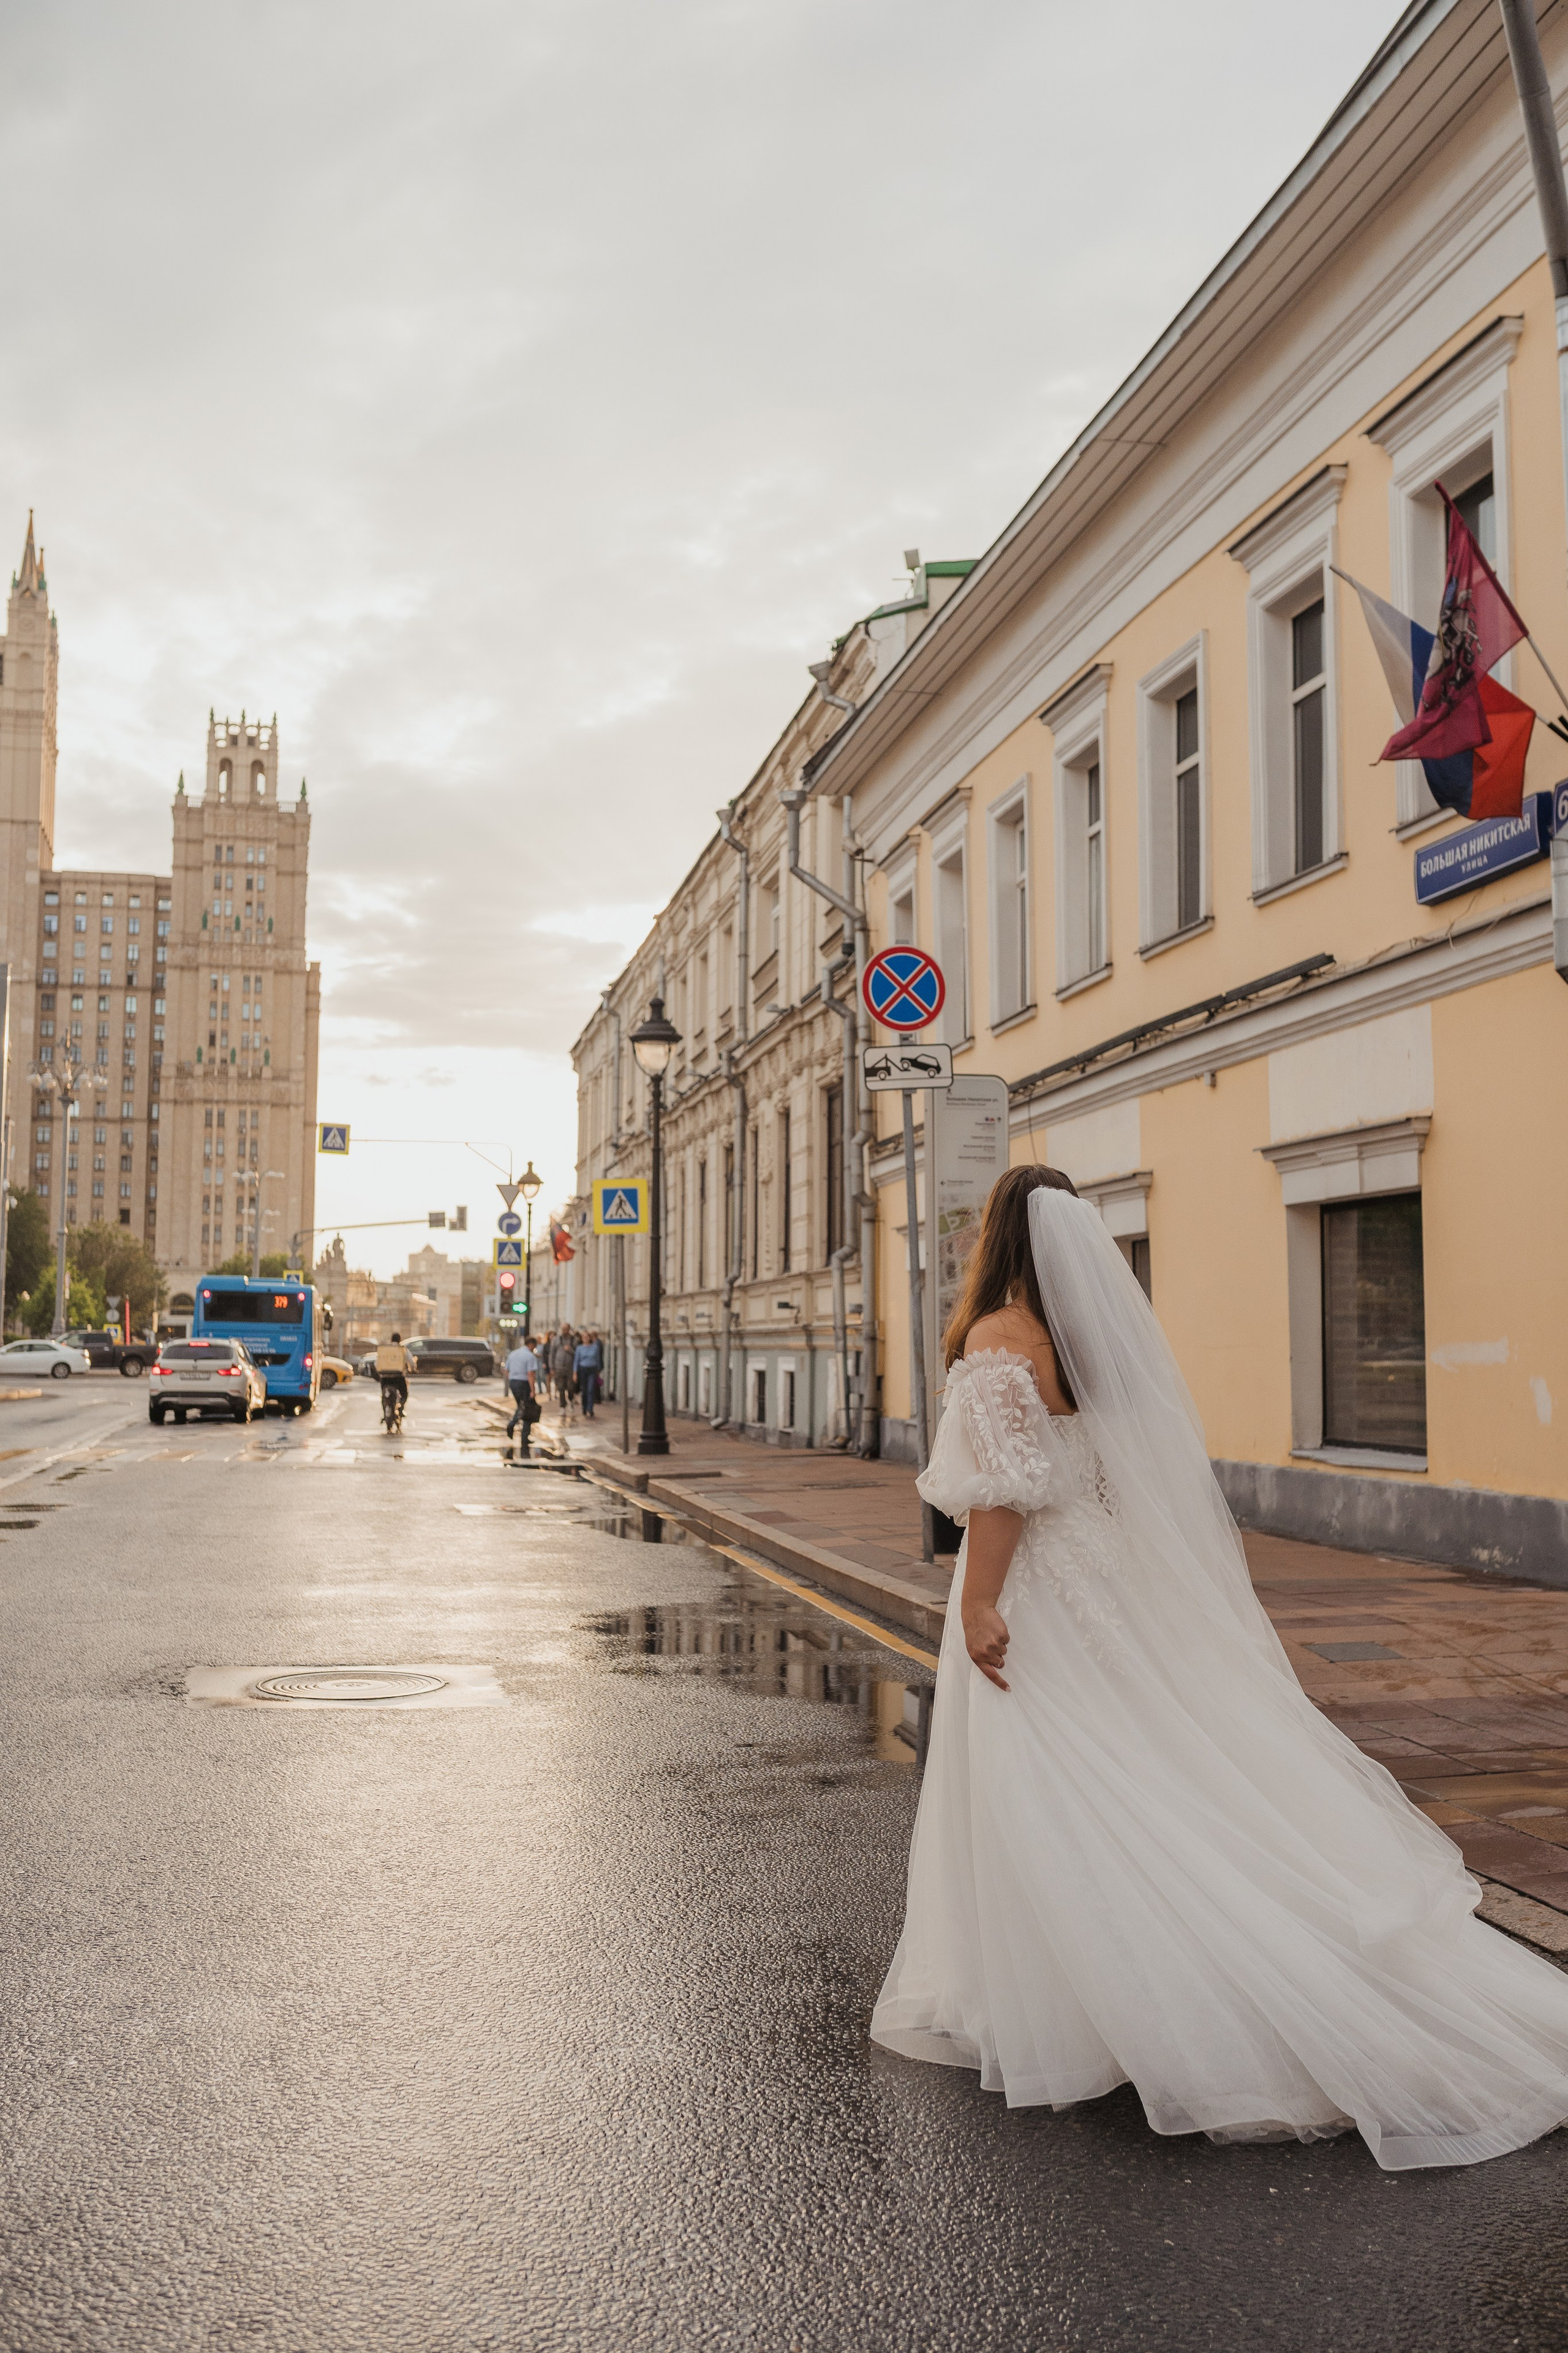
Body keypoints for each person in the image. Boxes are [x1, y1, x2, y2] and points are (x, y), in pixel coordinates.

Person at [872, 1164, 1568, 2172]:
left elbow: (1006, 1494)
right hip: (1108, 1576)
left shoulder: (998, 1340)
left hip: (1045, 1589)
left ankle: (1104, 2009)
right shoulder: (1088, 1345)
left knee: (1056, 1793)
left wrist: (978, 1601)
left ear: (999, 1236)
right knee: (1146, 1772)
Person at [503, 1335, 541, 1452]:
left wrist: (512, 1379)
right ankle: (521, 1433)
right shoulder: (530, 1356)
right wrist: (533, 1390)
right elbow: (531, 1374)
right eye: (534, 1347)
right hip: (524, 1383)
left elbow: (506, 1370)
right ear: (531, 1345)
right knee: (528, 1408)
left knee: (521, 1406)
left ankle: (516, 1427)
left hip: (514, 1382)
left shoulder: (514, 1354)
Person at [375, 1330, 412, 1429]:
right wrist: (413, 1368)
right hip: (398, 1377)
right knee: (404, 1393)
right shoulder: (402, 1350)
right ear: (400, 1340)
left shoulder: (385, 1349)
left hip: (385, 1378)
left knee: (384, 1396)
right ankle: (400, 1408)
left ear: (391, 1339)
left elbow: (377, 1363)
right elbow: (411, 1362)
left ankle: (385, 1413)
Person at [574, 1330, 603, 1418]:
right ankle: (584, 1407)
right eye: (584, 1337)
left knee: (591, 1390)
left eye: (587, 1337)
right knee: (584, 1390)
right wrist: (575, 1373)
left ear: (590, 1338)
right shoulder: (579, 1348)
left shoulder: (595, 1347)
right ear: (582, 1339)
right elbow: (576, 1361)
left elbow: (598, 1359)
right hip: (583, 1370)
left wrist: (598, 1371)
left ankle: (590, 1409)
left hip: (592, 1370)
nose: (586, 1339)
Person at [549, 1325, 576, 1414]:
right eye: (563, 1329)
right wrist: (552, 1367)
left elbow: (578, 1354)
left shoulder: (574, 1340)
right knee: (561, 1388)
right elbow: (552, 1354)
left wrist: (570, 1350)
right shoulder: (556, 1340)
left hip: (570, 1368)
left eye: (566, 1329)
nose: (564, 1331)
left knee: (570, 1387)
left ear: (569, 1330)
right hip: (559, 1368)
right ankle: (563, 1406)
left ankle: (571, 1401)